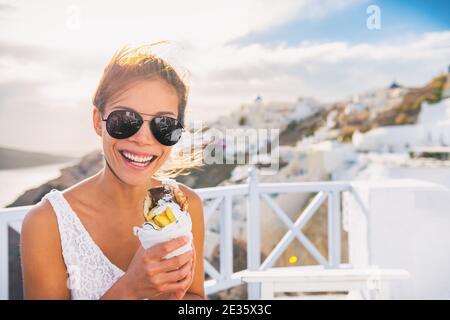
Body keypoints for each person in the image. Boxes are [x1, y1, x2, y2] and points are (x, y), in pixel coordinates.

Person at [20, 43, 205, 300]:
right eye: (126, 120)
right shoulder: (46, 224)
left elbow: (195, 298)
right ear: (98, 121)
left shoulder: (187, 205)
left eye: (164, 124)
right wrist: (130, 289)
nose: (143, 139)